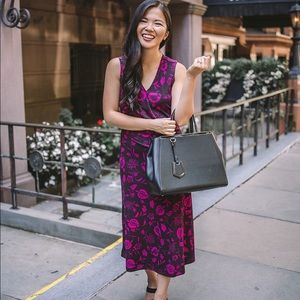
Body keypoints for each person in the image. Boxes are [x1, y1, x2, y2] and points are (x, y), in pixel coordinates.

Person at [103, 1, 210, 299]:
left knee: (166, 226)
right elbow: (111, 114)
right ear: (136, 25)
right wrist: (149, 125)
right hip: (134, 160)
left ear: (166, 33)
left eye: (158, 23)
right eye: (144, 21)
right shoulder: (118, 66)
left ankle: (161, 292)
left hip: (168, 160)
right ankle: (152, 281)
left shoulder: (175, 69)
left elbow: (181, 118)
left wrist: (191, 78)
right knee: (142, 228)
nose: (150, 28)